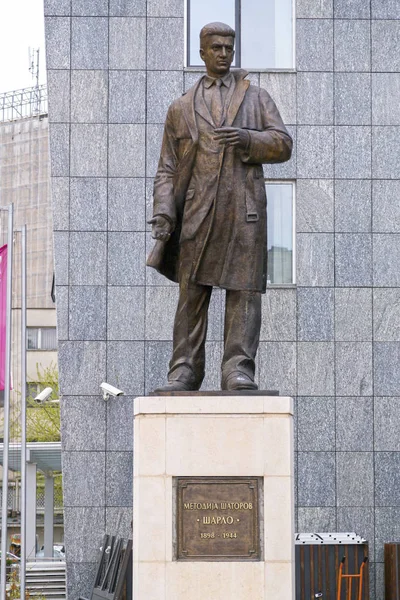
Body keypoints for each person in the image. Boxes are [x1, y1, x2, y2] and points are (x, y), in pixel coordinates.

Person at [148, 21, 292, 392]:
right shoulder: (181, 108)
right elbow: (167, 167)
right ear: (202, 53)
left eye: (229, 47)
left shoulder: (256, 98)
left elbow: (283, 144)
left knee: (244, 294)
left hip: (243, 213)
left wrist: (247, 139)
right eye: (216, 47)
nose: (224, 53)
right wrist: (164, 212)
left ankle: (238, 370)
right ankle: (184, 369)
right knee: (191, 294)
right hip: (198, 213)